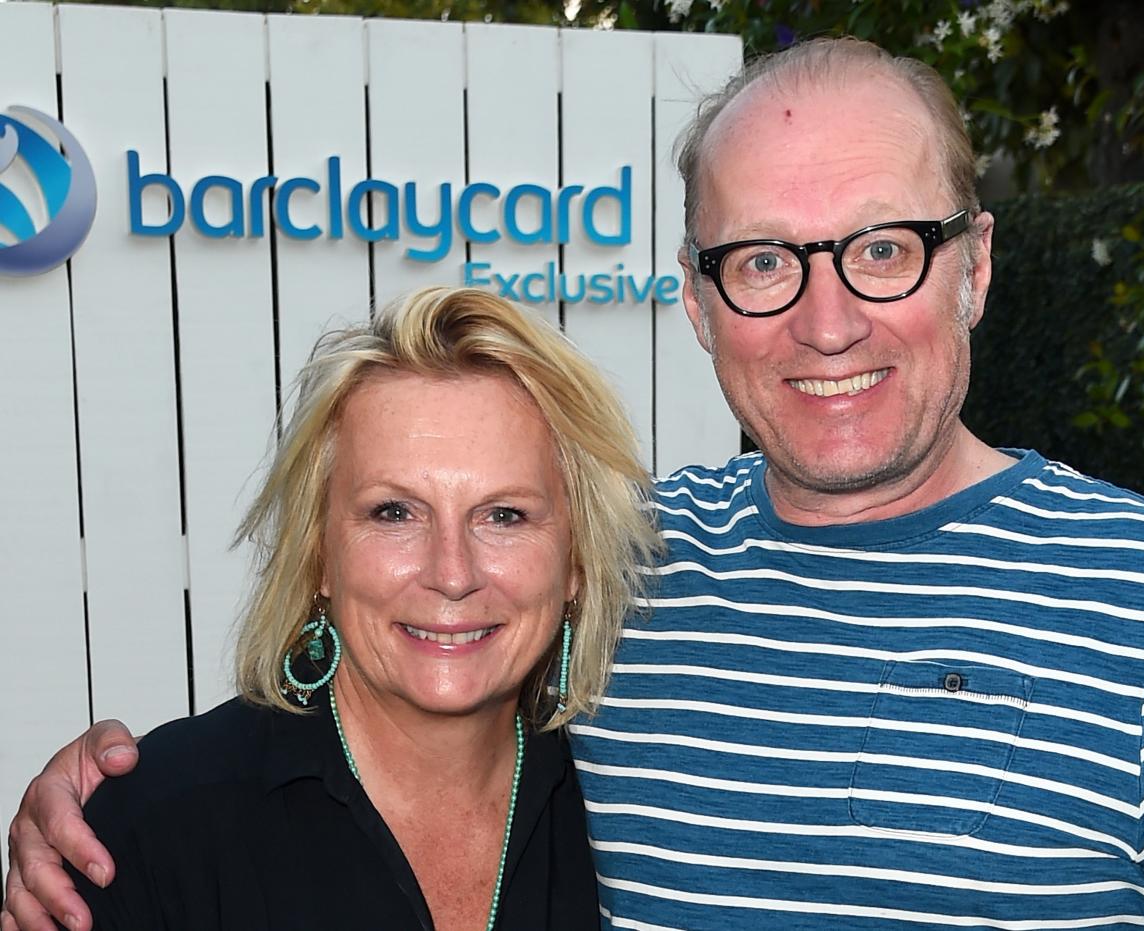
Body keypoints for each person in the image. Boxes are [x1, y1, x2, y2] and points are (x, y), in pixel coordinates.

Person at [8, 35, 1144, 931]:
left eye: (880, 248)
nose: (825, 322)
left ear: (972, 267)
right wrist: (104, 801)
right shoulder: (622, 561)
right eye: (763, 260)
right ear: (700, 301)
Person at [1, 286, 660, 931]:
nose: (452, 573)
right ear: (318, 553)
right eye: (394, 511)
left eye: (504, 514)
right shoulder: (155, 826)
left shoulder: (633, 808)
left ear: (575, 560)